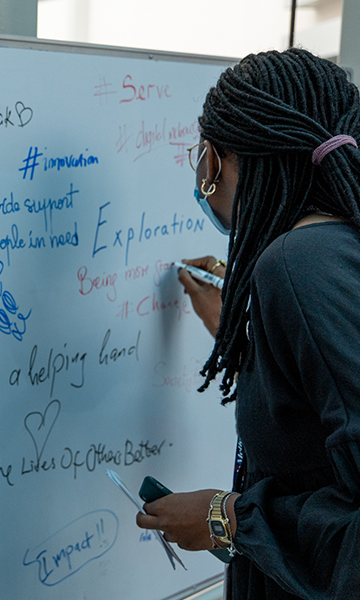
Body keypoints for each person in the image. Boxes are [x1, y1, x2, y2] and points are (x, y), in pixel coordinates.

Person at [136, 48, 360, 599]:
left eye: (201, 155)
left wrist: (227, 518)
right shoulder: (336, 246)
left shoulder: (296, 264)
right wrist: (249, 342)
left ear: (212, 162)